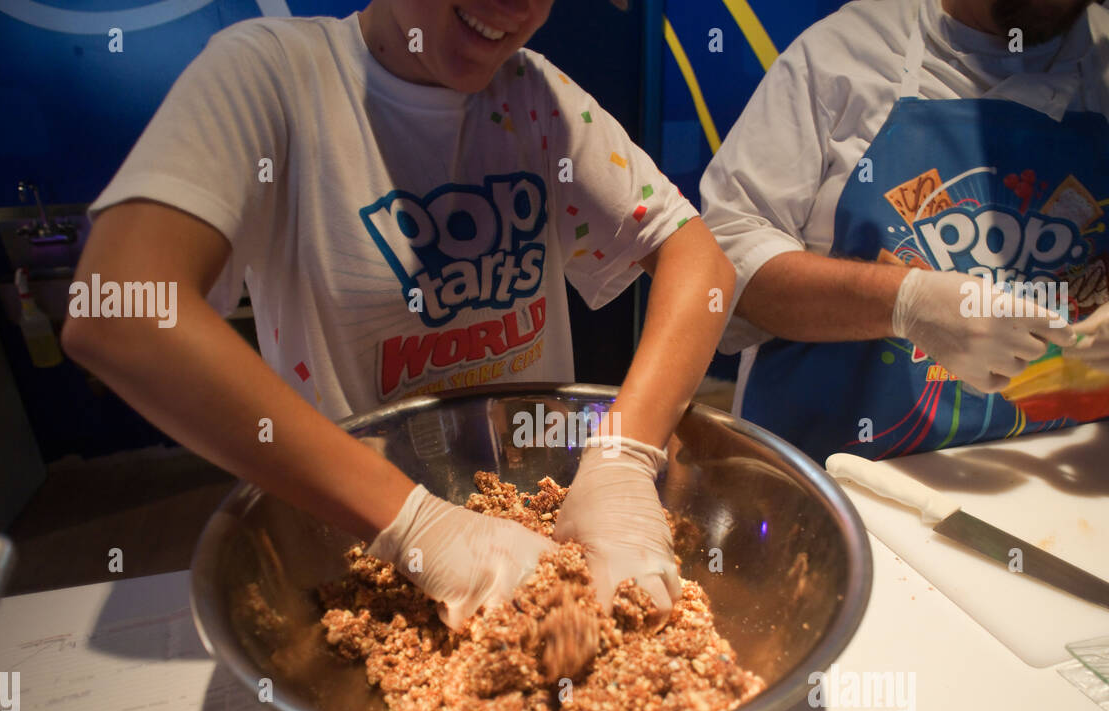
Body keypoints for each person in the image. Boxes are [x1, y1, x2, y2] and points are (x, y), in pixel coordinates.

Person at [62, 1, 734, 628]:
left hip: (539, 501)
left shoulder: (535, 98)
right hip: (357, 537)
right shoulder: (274, 76)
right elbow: (119, 308)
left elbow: (700, 261)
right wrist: (420, 527)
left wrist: (621, 457)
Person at [700, 0, 1109, 463]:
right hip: (835, 485)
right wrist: (905, 303)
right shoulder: (843, 56)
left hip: (1059, 494)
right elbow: (723, 261)